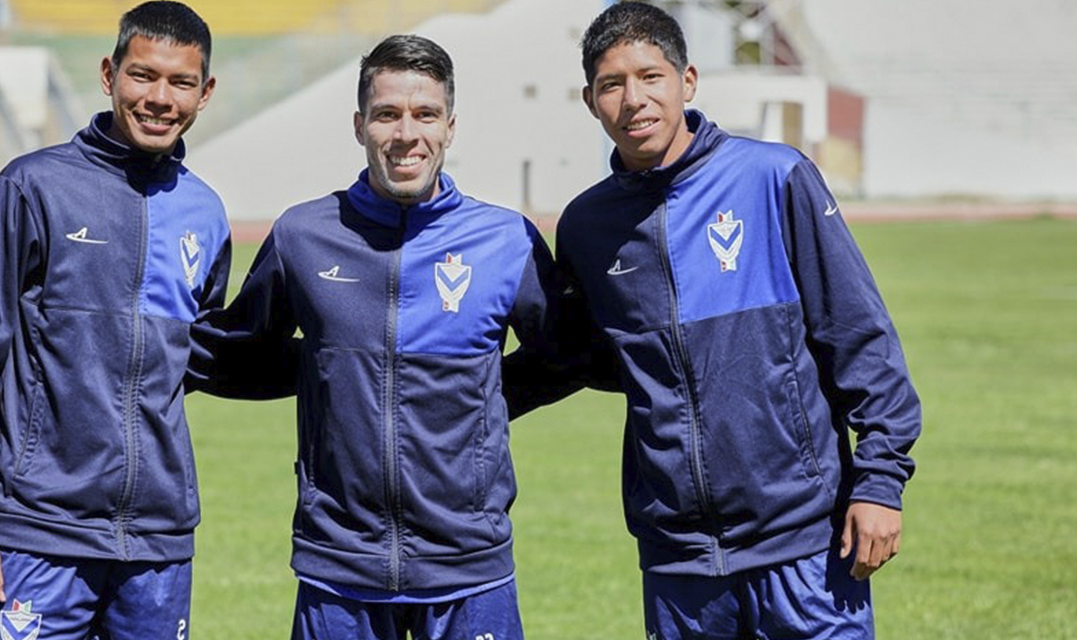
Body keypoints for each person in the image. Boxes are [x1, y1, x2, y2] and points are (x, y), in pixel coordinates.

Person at [528, 3, 922, 639]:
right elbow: (585, 360)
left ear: (687, 81)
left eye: (651, 76)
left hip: (803, 544)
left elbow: (857, 334)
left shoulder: (773, 177)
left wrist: (879, 481)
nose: (634, 99)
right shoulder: (586, 226)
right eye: (612, 84)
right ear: (589, 100)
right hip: (678, 555)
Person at [196, 34, 559, 640]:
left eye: (425, 115)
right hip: (339, 565)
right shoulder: (302, 236)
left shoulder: (506, 241)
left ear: (450, 127)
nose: (406, 133)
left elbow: (563, 356)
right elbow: (237, 353)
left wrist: (481, 402)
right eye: (388, 114)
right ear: (360, 124)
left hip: (469, 564)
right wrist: (332, 376)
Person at [0, 3, 257, 639]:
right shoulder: (33, 187)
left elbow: (195, 360)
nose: (160, 98)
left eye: (181, 82)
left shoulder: (205, 213)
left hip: (157, 544)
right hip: (36, 530)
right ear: (109, 74)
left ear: (205, 92)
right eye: (143, 76)